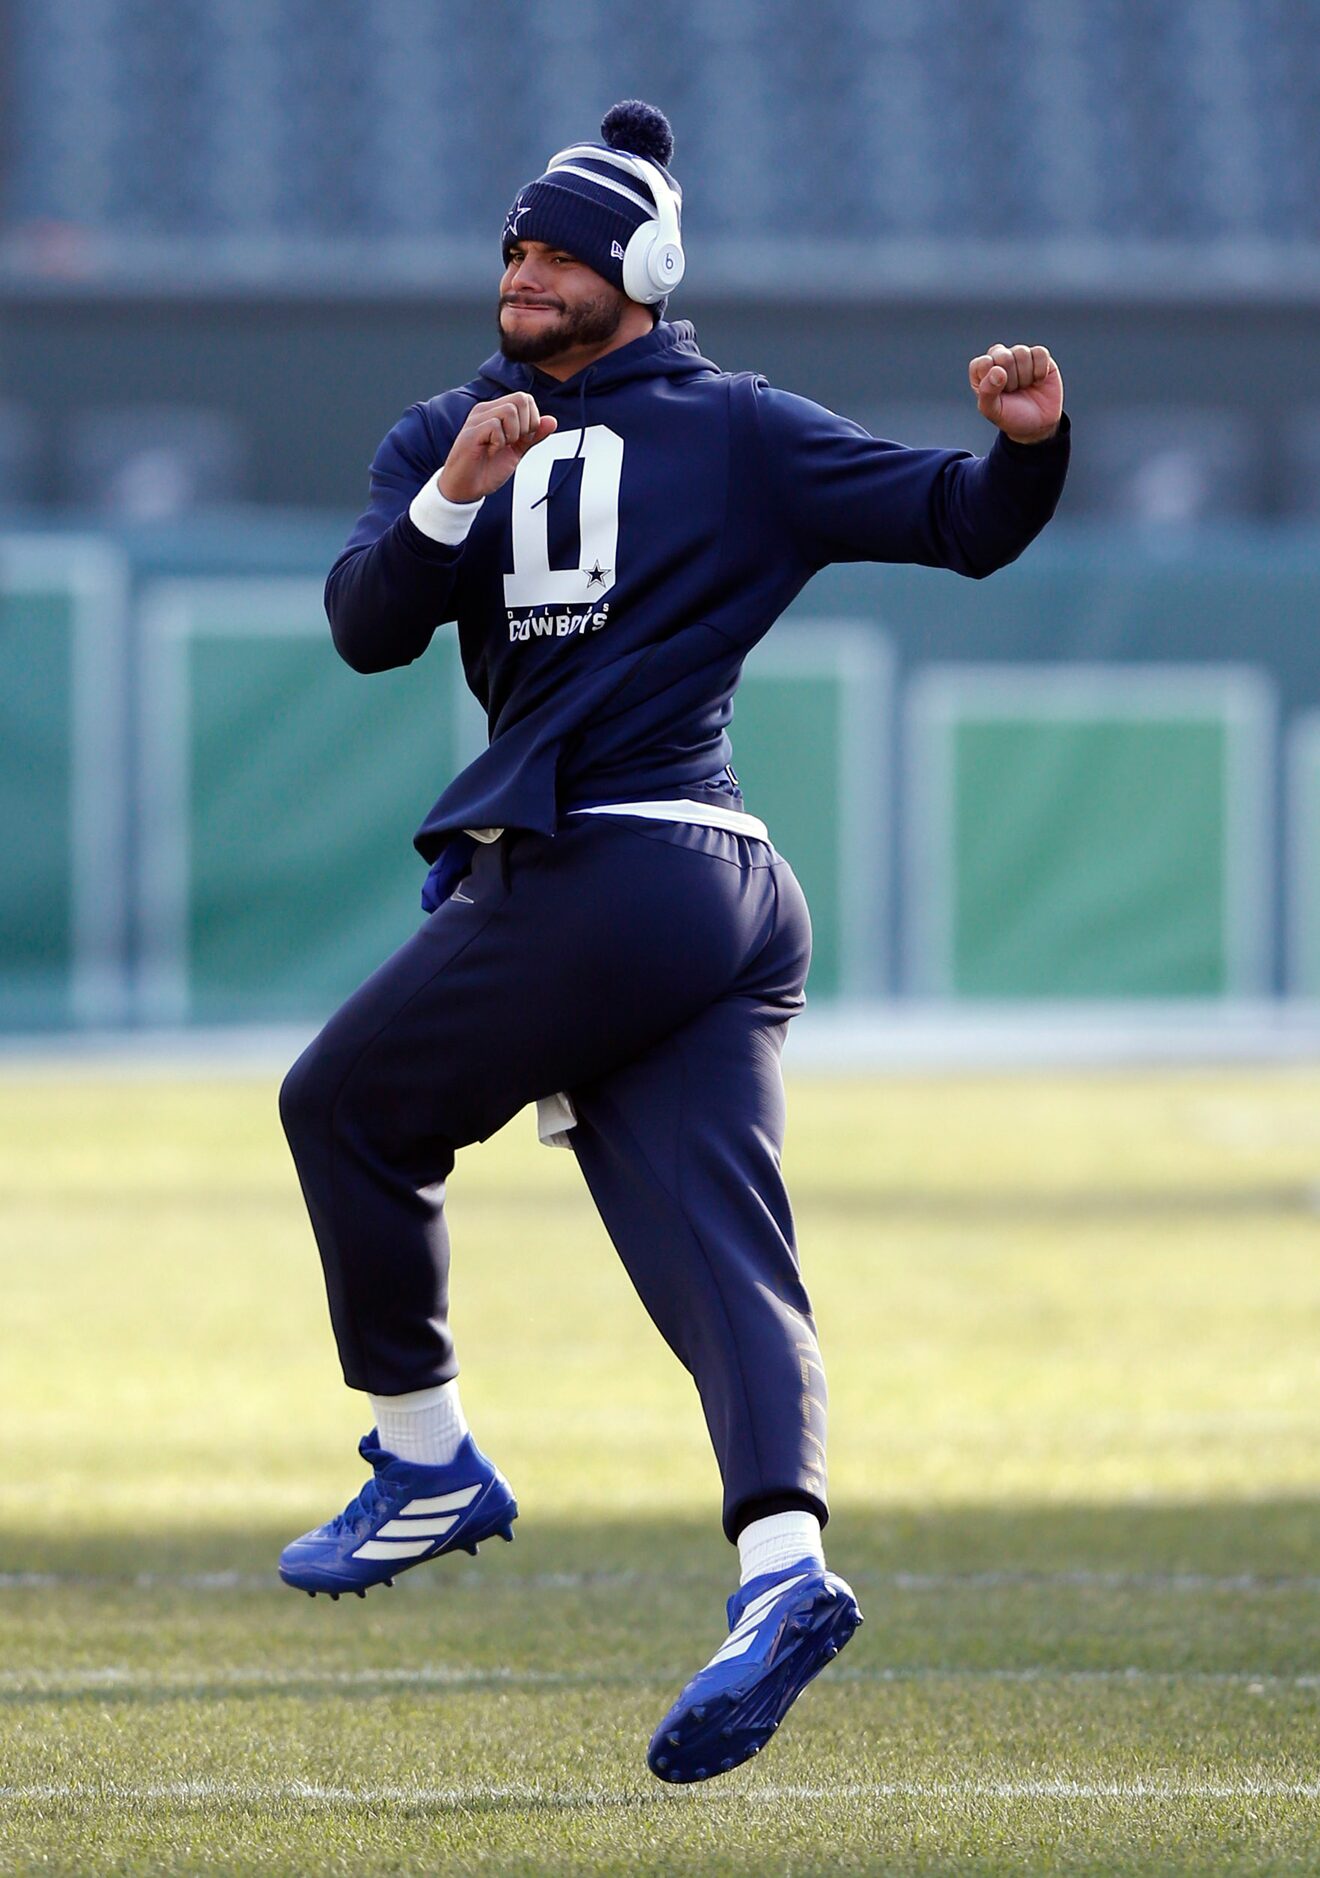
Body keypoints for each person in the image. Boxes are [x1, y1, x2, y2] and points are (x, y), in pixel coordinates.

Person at [277, 99, 1069, 1784]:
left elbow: (962, 521)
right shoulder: (445, 428)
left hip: (623, 864)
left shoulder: (740, 428)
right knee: (722, 1260)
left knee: (342, 1104)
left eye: (563, 251)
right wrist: (449, 502)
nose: (528, 276)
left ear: (639, 269)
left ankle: (425, 1459)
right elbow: (361, 630)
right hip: (706, 903)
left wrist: (1028, 446)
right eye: (513, 250)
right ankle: (785, 1575)